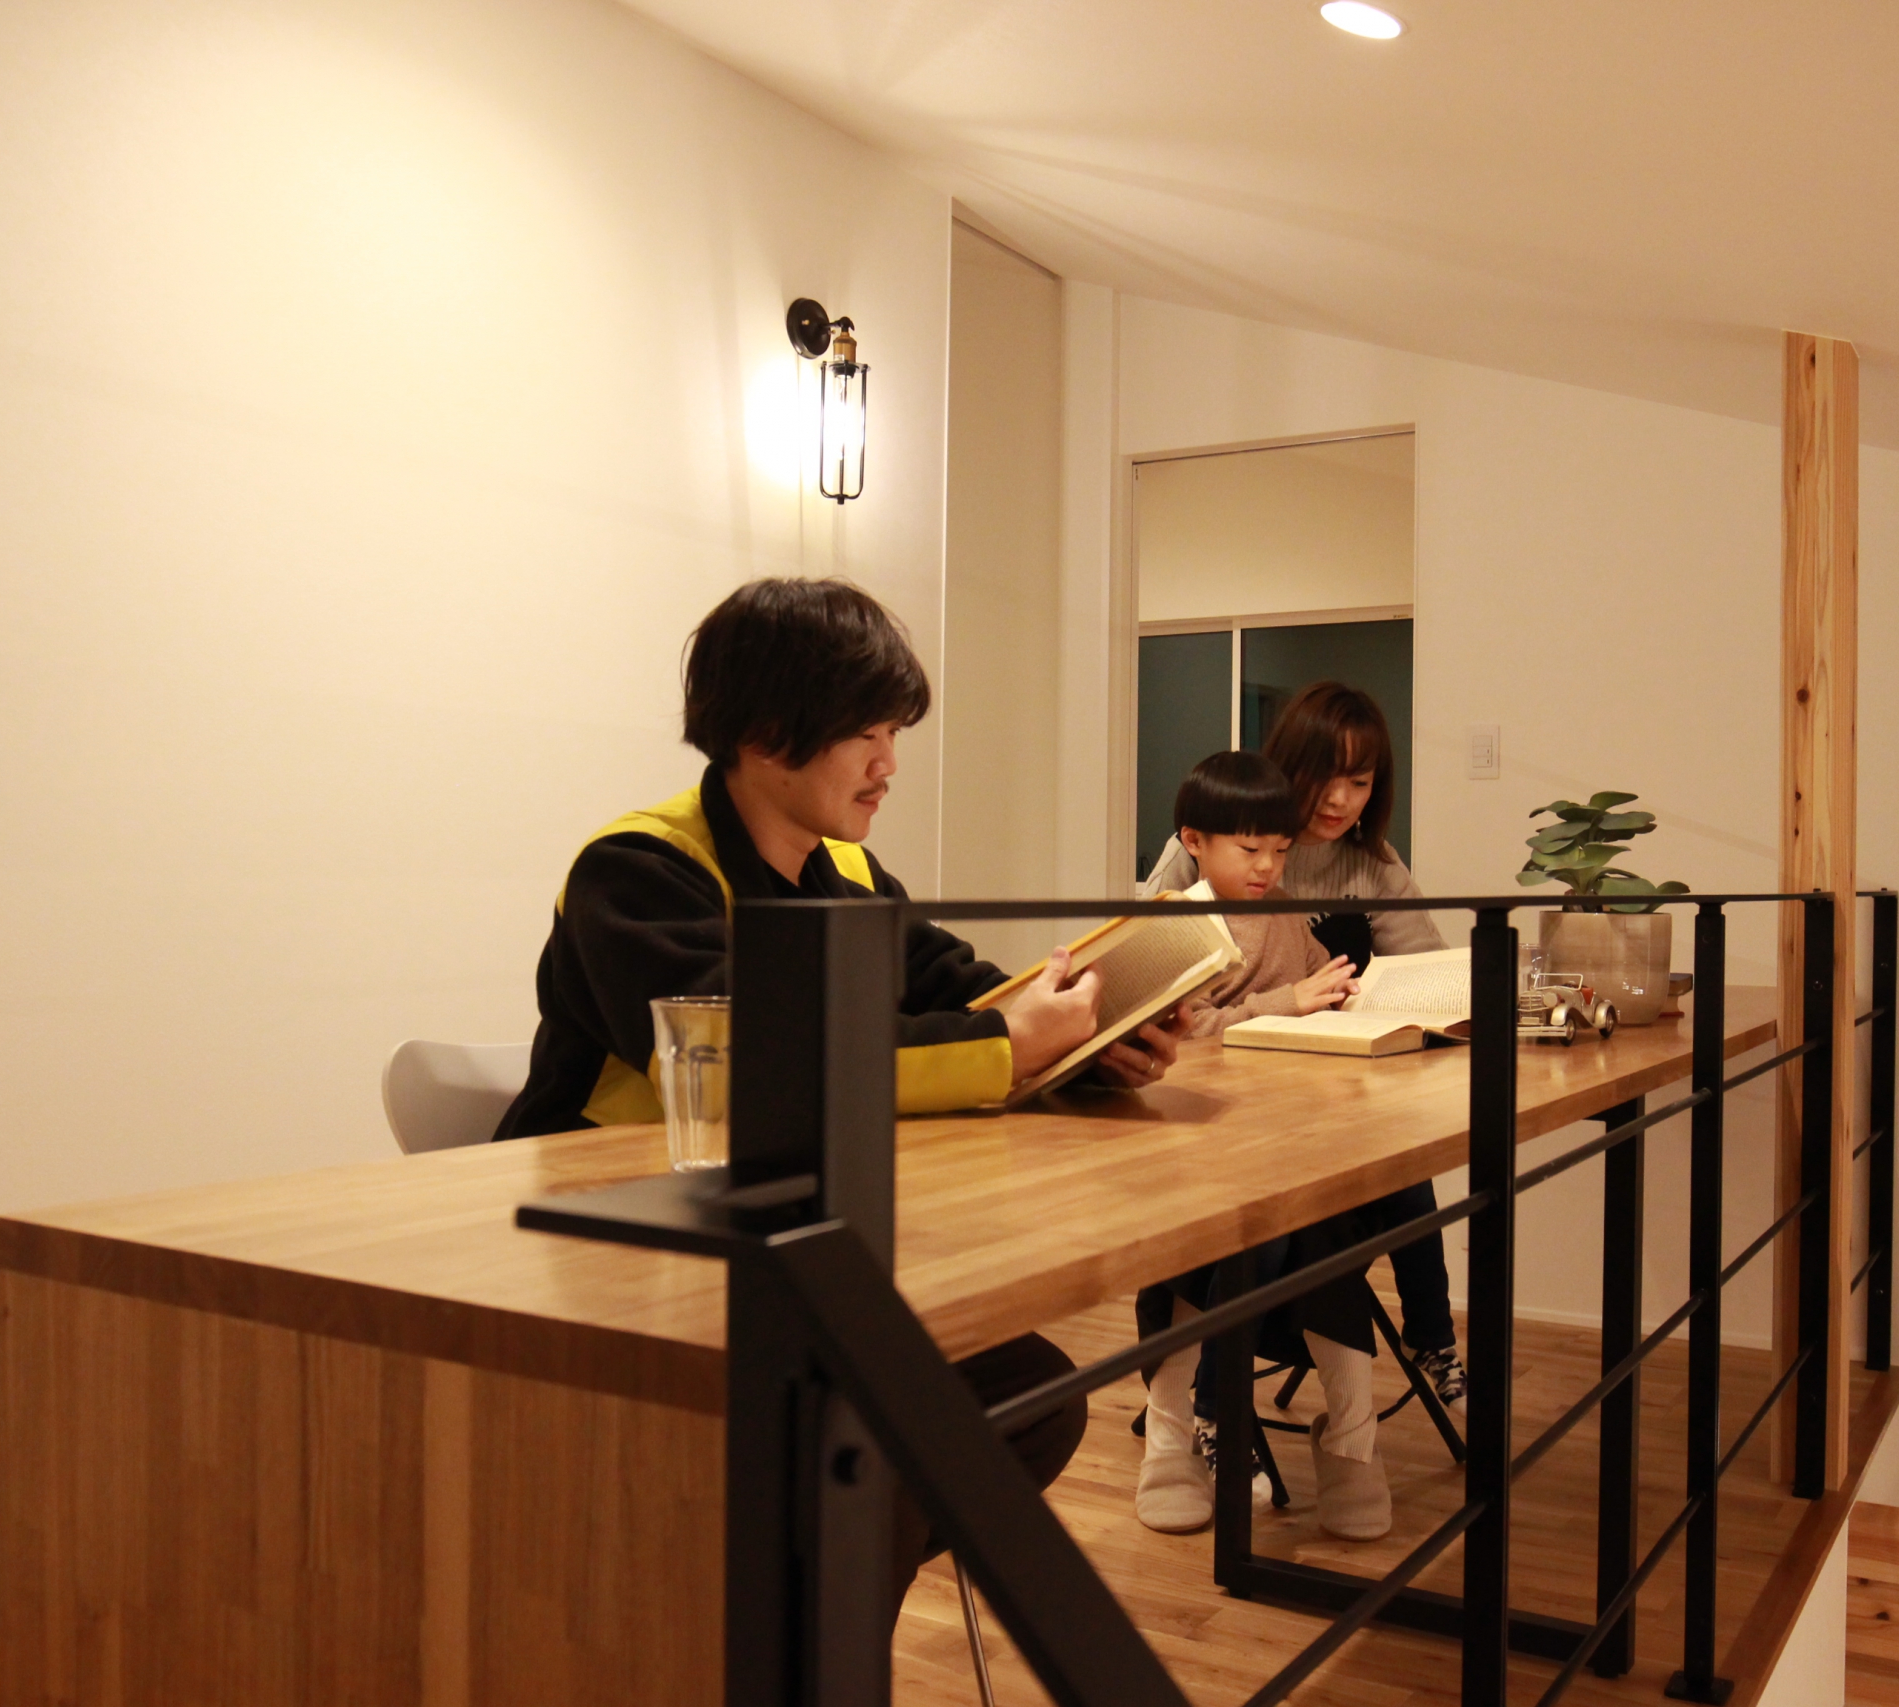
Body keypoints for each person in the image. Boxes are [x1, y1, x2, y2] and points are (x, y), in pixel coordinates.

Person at [494, 576, 1189, 1622]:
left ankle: (805, 1628)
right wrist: (1005, 1045)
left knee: (1026, 1397)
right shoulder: (637, 869)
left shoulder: (848, 873)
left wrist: (1094, 1038)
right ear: (766, 733)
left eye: (892, 733)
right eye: (866, 733)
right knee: (910, 1425)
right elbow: (746, 1061)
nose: (888, 765)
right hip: (622, 1251)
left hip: (782, 1238)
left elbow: (964, 993)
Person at [1142, 683, 1466, 1423]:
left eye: (1363, 781)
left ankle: (1430, 1339)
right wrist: (1282, 1002)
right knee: (1275, 1222)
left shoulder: (1365, 868)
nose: (1343, 800)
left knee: (1407, 1173)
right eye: (1329, 776)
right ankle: (1214, 1404)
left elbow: (1425, 967)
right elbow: (1156, 979)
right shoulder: (1204, 859)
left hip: (1321, 1103)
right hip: (1225, 1109)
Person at [1135, 751, 1390, 1542]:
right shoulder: (1176, 919)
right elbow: (1182, 1030)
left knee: (1326, 1218)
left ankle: (1338, 1433)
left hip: (1289, 1125)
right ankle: (1192, 1423)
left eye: (1280, 850)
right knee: (1242, 1231)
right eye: (1250, 849)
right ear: (1194, 841)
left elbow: (1318, 980)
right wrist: (1288, 1002)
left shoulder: (1281, 910)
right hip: (1198, 1135)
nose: (1268, 866)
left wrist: (1347, 994)